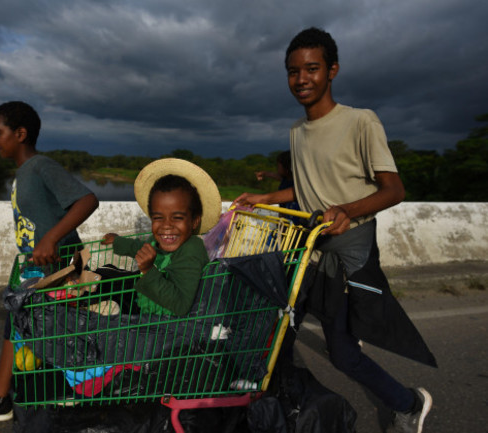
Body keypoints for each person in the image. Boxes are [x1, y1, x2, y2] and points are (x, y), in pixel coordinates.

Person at [234, 28, 433, 433]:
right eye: (293, 71)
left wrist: (346, 210)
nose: (301, 79)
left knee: (343, 355)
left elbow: (394, 189)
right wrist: (265, 197)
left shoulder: (361, 121)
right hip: (307, 252)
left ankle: (409, 401)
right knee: (278, 335)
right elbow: (308, 188)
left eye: (312, 68)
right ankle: (279, 411)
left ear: (332, 71)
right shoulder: (296, 132)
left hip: (346, 258)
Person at [0, 101, 99, 425]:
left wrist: (51, 239)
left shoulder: (41, 165)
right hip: (33, 267)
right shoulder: (22, 173)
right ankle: (0, 398)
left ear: (20, 133)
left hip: (57, 268)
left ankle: (68, 400)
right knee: (14, 327)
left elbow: (87, 199)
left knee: (57, 335)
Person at [102, 158, 222, 316]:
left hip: (167, 326)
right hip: (148, 309)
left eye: (177, 218)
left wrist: (148, 269)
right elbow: (139, 248)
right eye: (158, 218)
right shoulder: (158, 241)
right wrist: (117, 241)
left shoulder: (192, 250)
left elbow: (180, 305)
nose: (166, 226)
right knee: (104, 278)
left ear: (194, 222)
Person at [255, 150, 301, 216]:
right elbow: (273, 175)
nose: (277, 168)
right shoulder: (285, 179)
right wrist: (263, 173)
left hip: (292, 216)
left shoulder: (294, 183)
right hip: (283, 214)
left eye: (278, 166)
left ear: (286, 167)